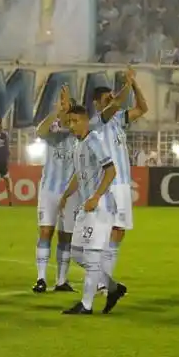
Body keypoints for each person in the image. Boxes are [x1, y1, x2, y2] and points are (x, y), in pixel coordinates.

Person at [58, 104, 127, 315]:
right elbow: (79, 176)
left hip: (100, 206)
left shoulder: (94, 140)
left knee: (92, 255)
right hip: (86, 207)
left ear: (86, 121)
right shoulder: (78, 144)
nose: (71, 125)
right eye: (69, 122)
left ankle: (86, 305)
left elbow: (111, 170)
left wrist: (96, 196)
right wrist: (65, 195)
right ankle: (113, 288)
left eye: (75, 121)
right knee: (77, 253)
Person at [88, 67, 148, 292]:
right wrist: (127, 83)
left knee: (118, 232)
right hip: (107, 184)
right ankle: (99, 281)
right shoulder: (98, 121)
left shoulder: (117, 120)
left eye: (111, 98)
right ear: (96, 104)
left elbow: (142, 108)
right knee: (105, 233)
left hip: (122, 185)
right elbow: (117, 103)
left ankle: (104, 281)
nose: (111, 101)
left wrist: (135, 84)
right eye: (106, 99)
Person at [33, 85, 79, 293]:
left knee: (66, 236)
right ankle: (41, 279)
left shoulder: (80, 136)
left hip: (70, 193)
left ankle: (61, 280)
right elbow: (39, 131)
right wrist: (56, 113)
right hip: (49, 191)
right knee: (45, 231)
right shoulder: (53, 132)